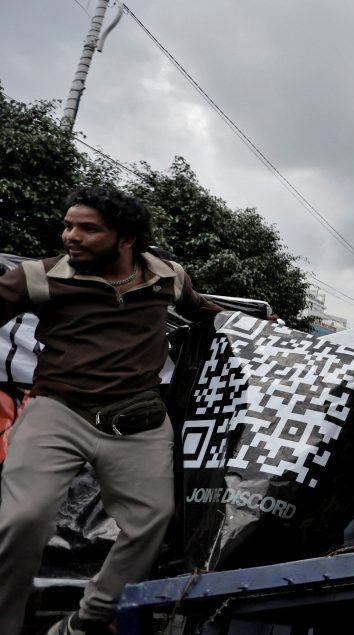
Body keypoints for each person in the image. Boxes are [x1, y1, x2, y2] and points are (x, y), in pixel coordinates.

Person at [0, 187, 222, 635]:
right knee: (22, 519)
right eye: (68, 226)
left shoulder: (167, 276)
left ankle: (88, 619)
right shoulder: (39, 277)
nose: (71, 237)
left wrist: (262, 328)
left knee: (151, 520)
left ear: (126, 239)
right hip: (58, 411)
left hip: (138, 421)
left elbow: (201, 310)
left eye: (88, 229)